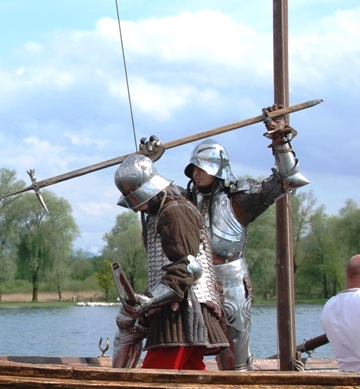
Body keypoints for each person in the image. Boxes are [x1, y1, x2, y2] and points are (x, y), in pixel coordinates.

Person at [163, 108, 308, 370]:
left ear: (217, 169)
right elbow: (148, 193)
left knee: (234, 361)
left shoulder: (240, 199)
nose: (196, 173)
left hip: (230, 281)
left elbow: (288, 179)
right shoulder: (184, 200)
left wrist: (280, 140)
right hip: (194, 280)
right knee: (182, 351)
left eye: (202, 168)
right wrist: (146, 161)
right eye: (194, 168)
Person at [111, 154, 228, 370]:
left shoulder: (175, 211)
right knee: (189, 378)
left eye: (136, 198)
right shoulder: (160, 211)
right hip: (175, 312)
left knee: (156, 378)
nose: (136, 207)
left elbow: (189, 267)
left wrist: (148, 299)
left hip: (183, 314)